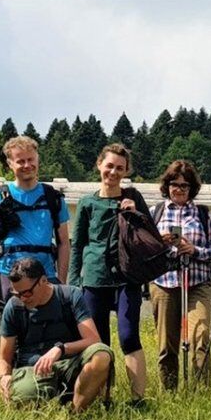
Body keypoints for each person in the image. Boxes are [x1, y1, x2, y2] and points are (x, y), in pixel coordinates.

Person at [69, 143, 153, 404]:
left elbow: (150, 234)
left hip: (127, 278)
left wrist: (134, 213)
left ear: (126, 171)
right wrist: (73, 283)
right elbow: (78, 245)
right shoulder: (87, 203)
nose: (113, 172)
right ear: (99, 165)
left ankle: (138, 400)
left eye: (120, 168)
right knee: (99, 343)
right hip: (94, 280)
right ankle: (104, 398)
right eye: (109, 166)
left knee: (129, 336)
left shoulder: (134, 197)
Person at [0, 258, 114, 414]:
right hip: (33, 370)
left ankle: (76, 415)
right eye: (17, 294)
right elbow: (4, 358)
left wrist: (60, 349)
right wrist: (3, 377)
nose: (23, 298)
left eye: (27, 292)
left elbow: (93, 340)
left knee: (101, 354)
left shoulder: (70, 296)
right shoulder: (14, 307)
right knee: (22, 396)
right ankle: (47, 406)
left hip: (69, 364)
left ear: (43, 281)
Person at [0, 136, 70, 323]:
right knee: (8, 334)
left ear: (38, 160)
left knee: (48, 332)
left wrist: (61, 281)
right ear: (10, 164)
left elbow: (64, 243)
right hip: (8, 275)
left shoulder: (54, 198)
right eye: (20, 161)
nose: (27, 165)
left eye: (31, 160)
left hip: (45, 276)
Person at [149, 159, 211, 390]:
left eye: (185, 185)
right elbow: (145, 252)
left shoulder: (203, 213)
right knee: (166, 344)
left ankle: (200, 393)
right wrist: (160, 244)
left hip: (197, 282)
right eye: (174, 184)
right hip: (164, 282)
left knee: (200, 337)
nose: (179, 189)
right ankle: (170, 392)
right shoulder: (155, 213)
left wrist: (194, 250)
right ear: (167, 185)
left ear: (192, 188)